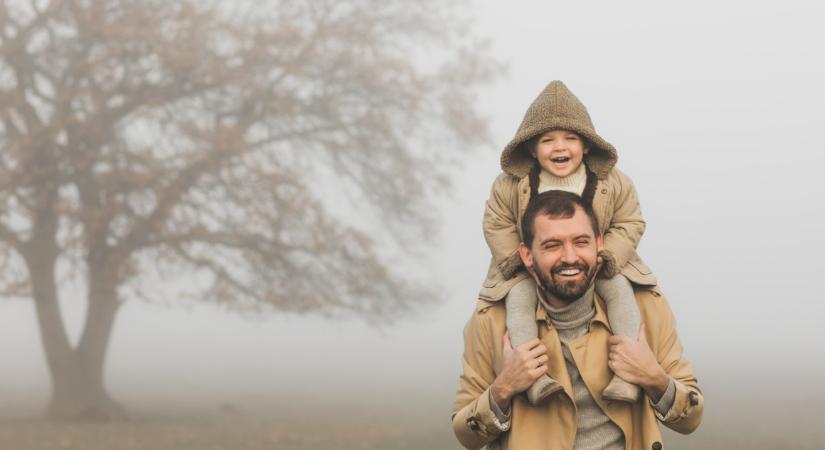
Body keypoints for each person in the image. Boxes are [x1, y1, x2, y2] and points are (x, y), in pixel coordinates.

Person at [452, 191, 703, 450]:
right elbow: (465, 434)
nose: (570, 257)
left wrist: (654, 378)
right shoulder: (491, 321)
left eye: (581, 242)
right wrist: (503, 388)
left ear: (599, 244)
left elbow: (691, 418)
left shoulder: (646, 308)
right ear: (527, 256)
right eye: (552, 245)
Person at [480, 80, 655, 404]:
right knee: (517, 301)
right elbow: (496, 223)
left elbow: (630, 221)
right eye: (548, 140)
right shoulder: (509, 185)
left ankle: (627, 373)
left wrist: (609, 255)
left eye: (570, 139)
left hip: (598, 264)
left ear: (586, 145)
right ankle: (533, 378)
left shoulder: (613, 182)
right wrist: (517, 263)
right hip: (530, 267)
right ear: (531, 148)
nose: (559, 148)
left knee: (621, 293)